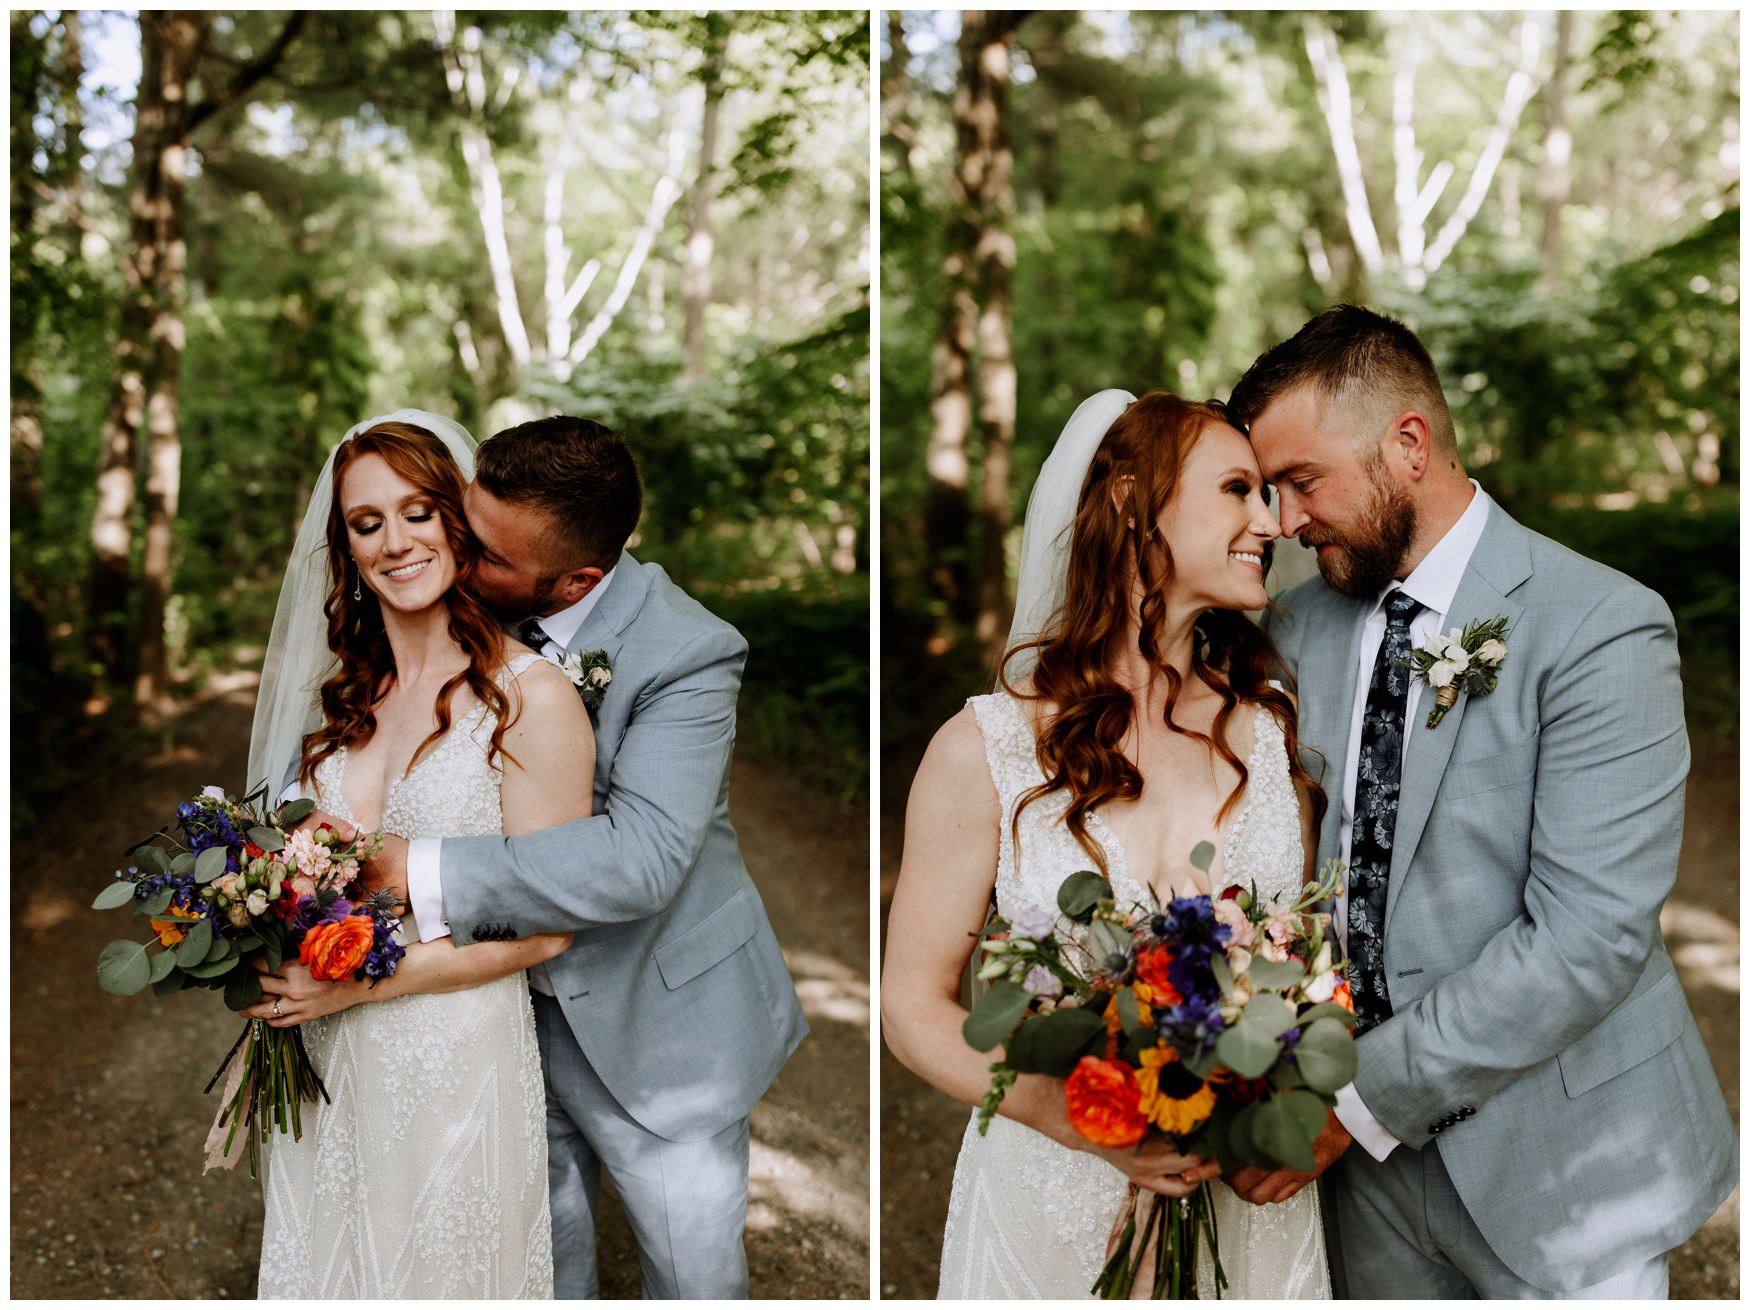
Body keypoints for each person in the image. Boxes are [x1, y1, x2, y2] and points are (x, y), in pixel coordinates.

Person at [1226, 304, 1737, 1298]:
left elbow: (1584, 937)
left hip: (1561, 1161)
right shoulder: (1293, 628)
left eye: (1301, 481)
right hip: (1357, 1190)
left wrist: (1346, 1101)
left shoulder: (1601, 625)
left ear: (1406, 444)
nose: (1283, 520)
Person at [308, 415, 809, 1299]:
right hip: (488, 1020)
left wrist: (413, 868)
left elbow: (641, 859)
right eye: (463, 527)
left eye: (487, 557)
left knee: (690, 1274)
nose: (459, 561)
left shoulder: (688, 652)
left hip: (654, 1025)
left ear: (577, 578)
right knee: (534, 1264)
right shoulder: (426, 635)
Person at [883, 390, 1335, 1298]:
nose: (1272, 519)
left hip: (1245, 1205)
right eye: (1239, 489)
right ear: (1132, 504)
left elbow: (1310, 973)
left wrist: (1264, 1089)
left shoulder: (1270, 735)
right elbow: (911, 1007)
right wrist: (1074, 1116)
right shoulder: (988, 750)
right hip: (1056, 1196)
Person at [242, 412, 590, 1298]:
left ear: (458, 521)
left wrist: (362, 982)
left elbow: (549, 931)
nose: (395, 542)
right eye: (367, 523)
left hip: (453, 1051)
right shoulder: (338, 703)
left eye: (417, 513)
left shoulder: (530, 698)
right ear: (347, 547)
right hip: (327, 1055)